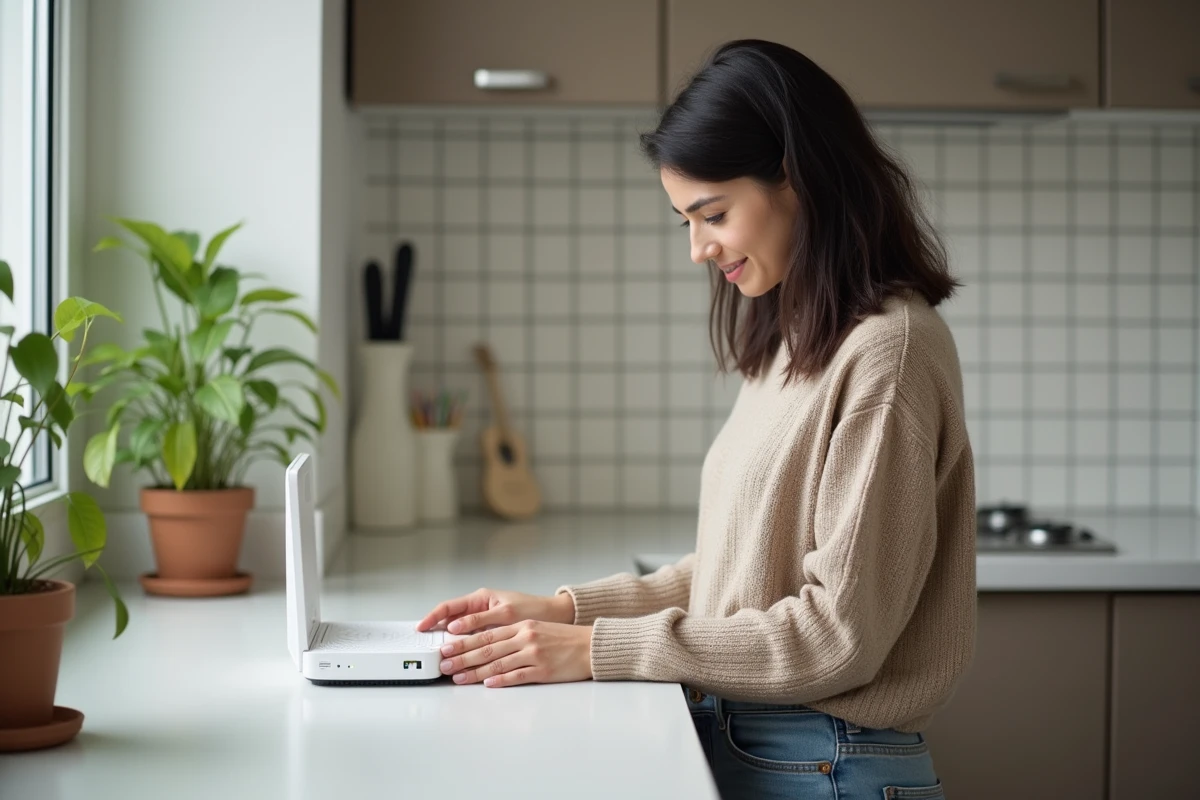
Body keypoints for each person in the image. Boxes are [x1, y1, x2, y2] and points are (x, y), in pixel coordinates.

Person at [416, 38, 976, 800]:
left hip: (825, 764)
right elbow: (736, 575)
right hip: (774, 748)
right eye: (685, 219)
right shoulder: (798, 339)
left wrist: (596, 648)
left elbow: (835, 638)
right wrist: (565, 610)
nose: (697, 248)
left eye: (712, 214)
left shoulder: (887, 354)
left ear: (798, 176)